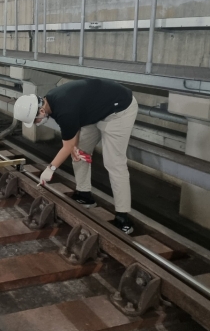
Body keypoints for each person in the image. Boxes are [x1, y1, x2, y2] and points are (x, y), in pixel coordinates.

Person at [13, 79, 138, 234]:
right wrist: (74, 147)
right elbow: (73, 128)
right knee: (80, 151)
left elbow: (67, 143)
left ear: (41, 111)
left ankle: (123, 217)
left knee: (114, 162)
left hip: (119, 110)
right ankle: (84, 195)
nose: (37, 123)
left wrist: (50, 169)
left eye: (35, 120)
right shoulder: (51, 100)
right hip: (96, 109)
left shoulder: (64, 109)